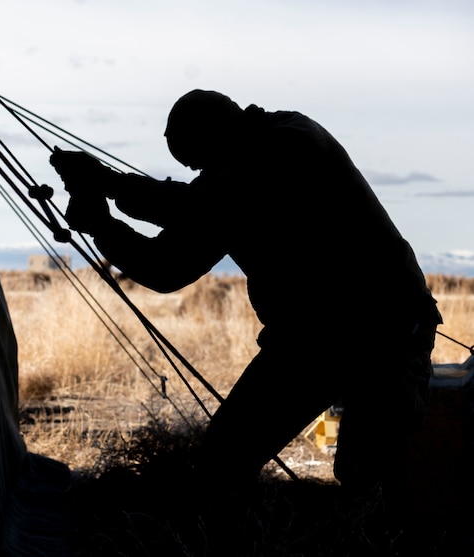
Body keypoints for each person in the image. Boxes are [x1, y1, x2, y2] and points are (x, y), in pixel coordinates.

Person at [49, 89, 442, 533]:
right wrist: (104, 217)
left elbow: (200, 207)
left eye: (198, 162)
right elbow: (170, 263)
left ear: (220, 135)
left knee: (372, 482)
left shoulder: (291, 141)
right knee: (225, 460)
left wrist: (108, 188)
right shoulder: (233, 174)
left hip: (383, 335)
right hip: (314, 340)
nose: (200, 174)